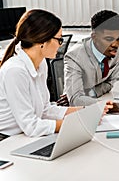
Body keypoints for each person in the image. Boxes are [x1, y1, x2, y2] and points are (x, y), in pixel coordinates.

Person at [0, 9, 110, 137]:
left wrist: (86, 111)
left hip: (24, 136)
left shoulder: (40, 64)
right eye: (59, 39)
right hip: (7, 141)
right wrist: (80, 122)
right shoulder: (15, 71)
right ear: (42, 41)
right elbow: (31, 126)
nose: (60, 45)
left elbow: (45, 110)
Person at [64, 10, 119, 115]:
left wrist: (87, 94)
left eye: (118, 38)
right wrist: (115, 107)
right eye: (109, 39)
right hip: (79, 113)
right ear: (94, 37)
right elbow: (75, 101)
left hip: (95, 100)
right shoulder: (75, 56)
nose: (115, 44)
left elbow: (110, 83)